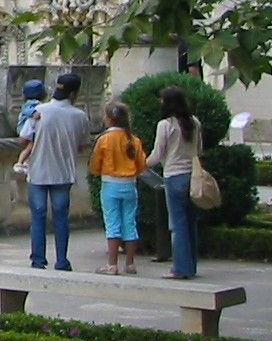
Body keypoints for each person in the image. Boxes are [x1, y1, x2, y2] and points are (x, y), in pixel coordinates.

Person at [24, 71, 91, 271]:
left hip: (38, 171)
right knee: (61, 218)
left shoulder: (38, 111)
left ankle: (38, 260)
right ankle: (61, 260)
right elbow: (82, 145)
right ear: (74, 94)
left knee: (38, 216)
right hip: (63, 172)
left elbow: (23, 138)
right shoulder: (80, 116)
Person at [147, 85, 202, 279]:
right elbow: (199, 150)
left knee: (177, 224)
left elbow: (157, 154)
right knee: (190, 223)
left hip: (173, 176)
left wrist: (140, 165)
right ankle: (191, 265)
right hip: (193, 176)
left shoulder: (165, 125)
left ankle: (180, 268)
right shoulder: (194, 122)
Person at [88, 100, 146, 275]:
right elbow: (141, 165)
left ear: (109, 119)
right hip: (130, 184)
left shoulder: (104, 139)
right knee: (130, 222)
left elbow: (94, 165)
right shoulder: (134, 140)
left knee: (112, 223)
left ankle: (112, 264)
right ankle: (130, 263)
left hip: (110, 184)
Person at [11, 79, 46, 176]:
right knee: (31, 146)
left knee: (31, 147)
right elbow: (27, 111)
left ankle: (25, 162)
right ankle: (20, 162)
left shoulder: (30, 103)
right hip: (25, 130)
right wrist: (34, 113)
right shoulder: (33, 104)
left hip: (27, 130)